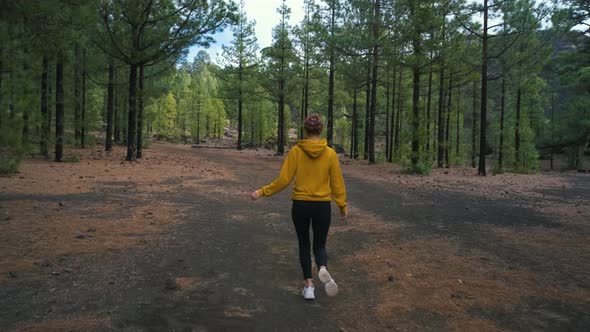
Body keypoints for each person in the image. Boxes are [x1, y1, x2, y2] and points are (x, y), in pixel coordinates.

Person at [251, 114, 348, 300]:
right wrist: (342, 206)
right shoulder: (330, 154)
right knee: (319, 244)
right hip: (322, 206)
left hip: (301, 205)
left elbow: (284, 180)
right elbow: (337, 184)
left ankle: (309, 286)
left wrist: (262, 191)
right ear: (321, 130)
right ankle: (322, 267)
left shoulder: (296, 151)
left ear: (306, 130)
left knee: (304, 243)